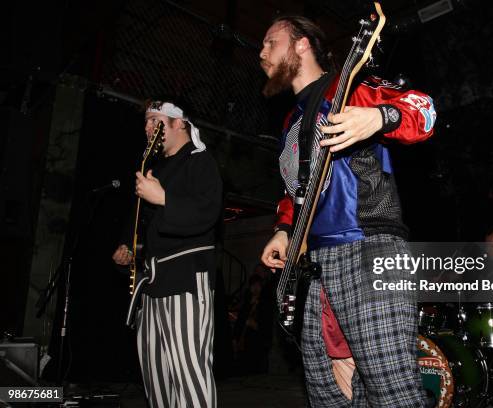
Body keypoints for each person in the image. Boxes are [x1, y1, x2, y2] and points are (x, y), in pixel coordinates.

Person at [259, 16, 436, 407]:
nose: (262, 52)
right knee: (329, 396)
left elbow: (424, 110)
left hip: (369, 249)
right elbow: (296, 190)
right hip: (312, 269)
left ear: (302, 44)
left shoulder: (349, 86)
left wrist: (379, 117)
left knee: (393, 393)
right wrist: (284, 228)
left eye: (271, 42)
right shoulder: (292, 120)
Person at [112, 99, 222, 408]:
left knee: (189, 372)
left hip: (185, 278)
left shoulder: (200, 160)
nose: (147, 127)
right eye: (145, 122)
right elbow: (144, 229)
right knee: (156, 376)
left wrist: (163, 198)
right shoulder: (154, 170)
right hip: (151, 284)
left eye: (154, 120)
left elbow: (208, 213)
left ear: (178, 123)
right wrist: (129, 250)